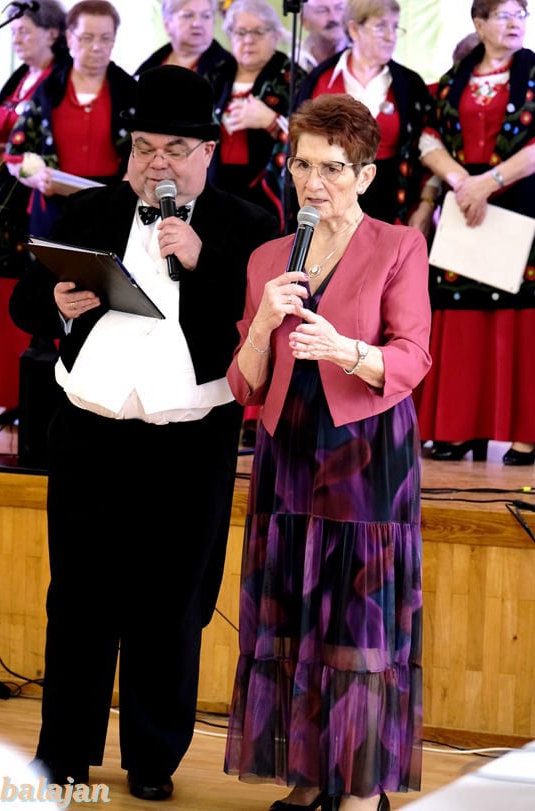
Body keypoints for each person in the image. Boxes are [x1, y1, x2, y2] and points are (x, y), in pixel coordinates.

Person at [9, 64, 279, 800]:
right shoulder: (89, 210)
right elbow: (26, 305)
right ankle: (64, 752)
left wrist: (202, 261)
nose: (157, 163)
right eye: (144, 148)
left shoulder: (247, 226)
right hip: (89, 434)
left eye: (174, 150)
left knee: (170, 605)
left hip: (188, 442)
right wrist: (58, 302)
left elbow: (264, 323)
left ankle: (152, 759)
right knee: (78, 600)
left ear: (207, 151)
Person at [223, 93, 431, 811]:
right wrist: (262, 325)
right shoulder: (268, 257)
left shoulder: (398, 246)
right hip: (288, 449)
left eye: (333, 168)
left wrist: (345, 350)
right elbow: (245, 384)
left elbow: (413, 355)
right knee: (292, 612)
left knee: (354, 620)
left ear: (365, 175)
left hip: (366, 450)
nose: (314, 183)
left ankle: (361, 787)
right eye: (303, 165)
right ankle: (310, 774)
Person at [415, 0, 535, 465]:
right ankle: (458, 426)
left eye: (521, 15)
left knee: (519, 315)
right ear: (479, 24)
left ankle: (525, 432)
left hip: (522, 202)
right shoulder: (455, 80)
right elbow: (429, 138)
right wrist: (463, 182)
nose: (515, 23)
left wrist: (490, 182)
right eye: (504, 15)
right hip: (466, 206)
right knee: (461, 314)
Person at [295, 0, 436, 236]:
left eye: (395, 26)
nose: (390, 36)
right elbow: (296, 144)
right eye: (381, 26)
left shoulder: (410, 85)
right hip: (326, 196)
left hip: (391, 201)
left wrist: (426, 204)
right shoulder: (320, 79)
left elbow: (428, 146)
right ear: (354, 29)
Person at [4, 0, 136, 240]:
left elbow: (149, 149)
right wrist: (35, 177)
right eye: (87, 37)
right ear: (69, 38)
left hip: (111, 208)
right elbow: (14, 155)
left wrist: (129, 185)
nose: (96, 47)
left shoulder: (129, 91)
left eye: (105, 38)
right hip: (54, 207)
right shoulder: (48, 90)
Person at [0, 0, 67, 419]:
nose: (16, 39)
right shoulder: (20, 77)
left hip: (43, 197)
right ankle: (8, 393)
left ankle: (37, 399)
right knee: (9, 283)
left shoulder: (60, 77)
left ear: (52, 33)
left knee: (39, 285)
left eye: (24, 30)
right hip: (11, 198)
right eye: (13, 32)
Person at [212, 0, 307, 227]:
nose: (248, 40)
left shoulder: (293, 78)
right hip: (217, 188)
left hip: (266, 193)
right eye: (240, 32)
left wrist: (272, 121)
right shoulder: (217, 75)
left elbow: (311, 136)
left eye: (258, 32)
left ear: (275, 35)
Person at [133, 0, 236, 81]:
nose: (197, 23)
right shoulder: (149, 67)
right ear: (167, 24)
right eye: (188, 15)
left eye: (206, 16)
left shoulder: (229, 68)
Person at [297, 0, 350, 73]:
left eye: (339, 8)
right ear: (304, 21)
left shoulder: (360, 58)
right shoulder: (296, 62)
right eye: (322, 11)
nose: (334, 18)